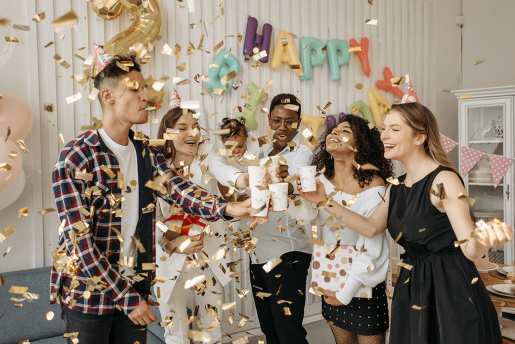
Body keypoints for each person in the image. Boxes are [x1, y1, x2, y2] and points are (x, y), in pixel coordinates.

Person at [51, 54, 260, 344]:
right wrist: (126, 297)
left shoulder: (145, 152)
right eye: (134, 89)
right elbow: (79, 240)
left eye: (145, 87)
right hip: (89, 291)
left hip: (135, 286)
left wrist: (230, 207)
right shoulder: (77, 155)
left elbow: (179, 190)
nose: (145, 96)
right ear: (108, 96)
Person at [299, 102, 514, 344]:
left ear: (419, 137)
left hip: (449, 288)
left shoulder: (443, 180)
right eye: (384, 128)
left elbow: (470, 249)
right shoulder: (395, 187)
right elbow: (370, 228)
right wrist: (323, 200)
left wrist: (483, 240)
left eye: (395, 129)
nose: (384, 135)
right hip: (411, 285)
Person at [153, 95, 253, 344]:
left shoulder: (208, 158)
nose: (193, 133)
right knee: (175, 330)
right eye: (183, 128)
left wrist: (240, 179)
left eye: (196, 127)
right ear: (167, 133)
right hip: (169, 258)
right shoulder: (156, 167)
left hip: (208, 257)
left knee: (212, 327)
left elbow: (223, 169)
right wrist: (172, 239)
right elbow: (151, 216)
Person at [310, 114, 393, 344]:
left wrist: (345, 292)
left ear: (359, 145)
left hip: (363, 283)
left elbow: (373, 245)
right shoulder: (318, 181)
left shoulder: (374, 184)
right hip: (330, 275)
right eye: (333, 131)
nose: (334, 133)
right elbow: (308, 221)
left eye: (345, 131)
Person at [250, 93, 316, 344]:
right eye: (277, 120)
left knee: (288, 331)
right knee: (269, 328)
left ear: (298, 122)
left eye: (290, 121)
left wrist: (283, 181)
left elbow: (296, 190)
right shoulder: (261, 150)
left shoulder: (304, 154)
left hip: (287, 251)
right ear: (268, 119)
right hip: (257, 250)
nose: (282, 127)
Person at [217, 117, 260, 202]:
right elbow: (221, 182)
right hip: (236, 197)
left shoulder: (249, 153)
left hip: (254, 195)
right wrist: (231, 199)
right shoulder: (224, 159)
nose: (236, 151)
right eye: (230, 147)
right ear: (223, 141)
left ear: (246, 139)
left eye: (240, 146)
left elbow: (257, 164)